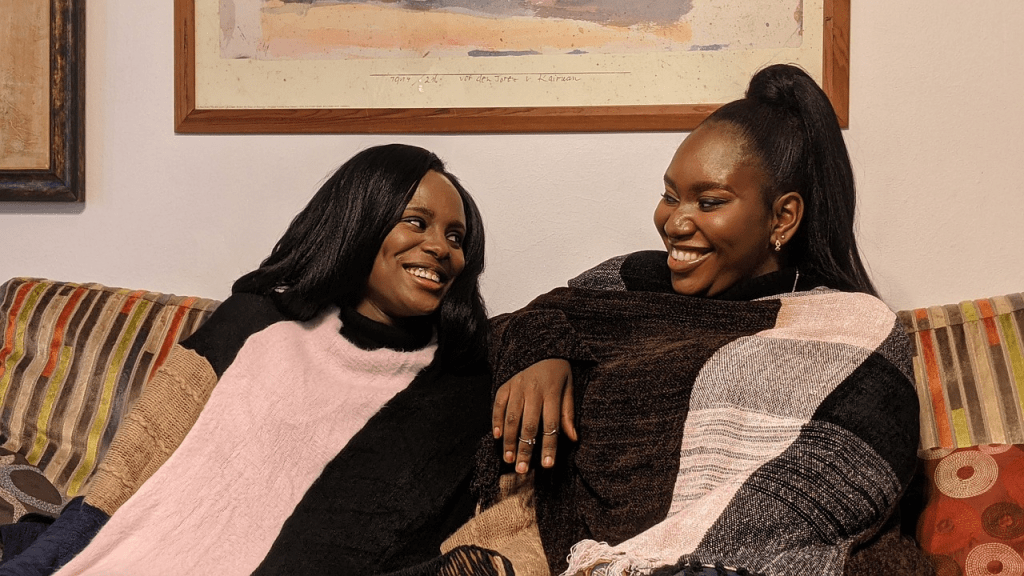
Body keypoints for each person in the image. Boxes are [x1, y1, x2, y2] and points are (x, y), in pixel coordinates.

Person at [451, 64, 929, 576]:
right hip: (573, 552)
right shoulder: (629, 280)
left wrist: (673, 561)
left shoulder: (854, 324)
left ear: (782, 217)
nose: (675, 223)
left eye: (709, 201)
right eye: (670, 195)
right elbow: (528, 319)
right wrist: (542, 350)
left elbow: (838, 475)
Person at [0, 144, 495, 575]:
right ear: (361, 219)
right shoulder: (255, 321)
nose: (441, 248)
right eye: (417, 222)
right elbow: (132, 463)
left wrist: (546, 354)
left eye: (457, 238)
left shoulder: (464, 383)